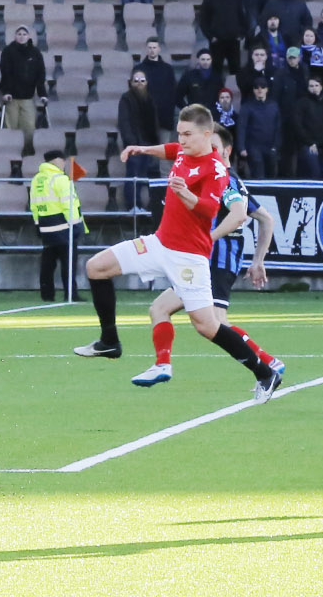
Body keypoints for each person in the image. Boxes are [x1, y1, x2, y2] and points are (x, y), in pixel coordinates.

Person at [75, 105, 283, 402]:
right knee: (96, 267)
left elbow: (210, 209)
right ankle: (110, 341)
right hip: (159, 243)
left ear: (207, 135)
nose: (181, 140)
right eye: (180, 133)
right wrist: (141, 149)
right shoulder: (184, 150)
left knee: (208, 326)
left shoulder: (216, 169)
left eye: (188, 134)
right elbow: (170, 149)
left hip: (190, 257)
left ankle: (265, 373)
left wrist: (185, 193)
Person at [126, 126, 281, 387]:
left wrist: (210, 238)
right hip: (196, 262)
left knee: (217, 322)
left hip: (216, 260)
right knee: (159, 308)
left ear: (226, 151)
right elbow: (265, 218)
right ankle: (162, 364)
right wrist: (257, 261)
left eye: (214, 148)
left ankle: (268, 363)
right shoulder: (216, 174)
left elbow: (242, 214)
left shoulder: (227, 180)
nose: (208, 152)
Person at [30, 150, 86, 302]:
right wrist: (75, 226)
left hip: (45, 226)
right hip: (63, 226)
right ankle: (71, 294)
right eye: (63, 161)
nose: (65, 164)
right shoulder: (60, 179)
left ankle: (47, 295)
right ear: (56, 161)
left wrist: (37, 224)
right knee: (68, 263)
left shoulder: (37, 179)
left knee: (48, 262)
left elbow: (34, 204)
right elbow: (68, 205)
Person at [118, 69, 160, 211]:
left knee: (143, 175)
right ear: (131, 83)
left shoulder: (150, 98)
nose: (139, 84)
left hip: (147, 145)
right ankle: (132, 205)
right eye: (136, 81)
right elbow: (124, 122)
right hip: (133, 145)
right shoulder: (126, 98)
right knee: (133, 175)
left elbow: (154, 122)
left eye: (142, 81)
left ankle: (143, 206)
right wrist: (131, 142)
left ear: (146, 83)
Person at [0, 25, 47, 131]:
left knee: (29, 126)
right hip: (11, 97)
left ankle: (28, 147)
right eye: (19, 34)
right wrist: (6, 91)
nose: (21, 36)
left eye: (24, 34)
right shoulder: (8, 51)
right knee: (11, 127)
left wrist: (42, 94)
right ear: (15, 36)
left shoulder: (35, 52)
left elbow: (41, 74)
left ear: (29, 36)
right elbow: (5, 72)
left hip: (28, 97)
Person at [200, 0, 247, 76]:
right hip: (216, 41)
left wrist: (241, 34)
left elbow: (243, 16)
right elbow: (203, 19)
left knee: (236, 72)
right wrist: (210, 37)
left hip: (233, 41)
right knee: (215, 73)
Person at [237, 78, 281, 179]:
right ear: (253, 90)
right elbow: (241, 127)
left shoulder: (274, 106)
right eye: (256, 87)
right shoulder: (247, 107)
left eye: (262, 87)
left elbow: (278, 128)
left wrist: (276, 145)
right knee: (258, 174)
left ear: (267, 89)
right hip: (253, 146)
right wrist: (241, 147)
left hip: (270, 146)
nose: (259, 90)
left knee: (271, 175)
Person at [293, 76, 323, 178]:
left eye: (316, 85)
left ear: (321, 87)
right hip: (309, 144)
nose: (314, 88)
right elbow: (298, 125)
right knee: (314, 173)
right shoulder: (302, 102)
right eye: (311, 86)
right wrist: (310, 142)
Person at [137, 38, 178, 133]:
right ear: (146, 49)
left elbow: (173, 93)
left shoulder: (168, 70)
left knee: (163, 147)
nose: (152, 50)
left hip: (164, 119)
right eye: (150, 48)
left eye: (154, 47)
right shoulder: (139, 70)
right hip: (145, 120)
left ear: (159, 49)